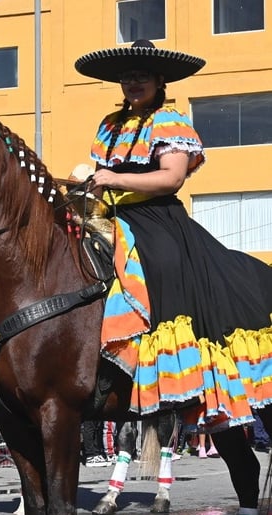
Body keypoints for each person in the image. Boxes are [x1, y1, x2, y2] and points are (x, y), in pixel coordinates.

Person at [74, 40, 272, 432]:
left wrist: (115, 178)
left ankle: (170, 367)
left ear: (159, 79)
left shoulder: (169, 120)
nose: (133, 82)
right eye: (127, 76)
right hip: (113, 215)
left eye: (141, 75)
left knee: (162, 264)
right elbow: (101, 175)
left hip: (158, 218)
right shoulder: (110, 125)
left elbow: (171, 177)